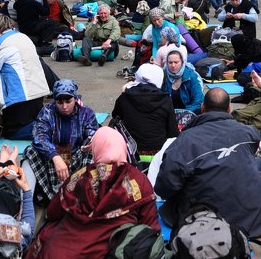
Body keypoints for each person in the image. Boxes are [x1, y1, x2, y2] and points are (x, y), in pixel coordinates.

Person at [25, 127, 160, 259]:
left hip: (58, 251)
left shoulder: (80, 177)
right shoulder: (139, 181)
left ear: (96, 150)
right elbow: (150, 226)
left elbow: (53, 211)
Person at [155, 87, 261, 238]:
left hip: (204, 220)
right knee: (254, 163)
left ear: (203, 108)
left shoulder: (185, 140)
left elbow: (164, 187)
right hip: (253, 218)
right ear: (229, 108)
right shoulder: (249, 132)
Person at [22, 79, 98, 202]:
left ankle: (84, 197)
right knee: (31, 151)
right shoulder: (47, 112)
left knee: (92, 152)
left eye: (68, 101)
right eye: (59, 102)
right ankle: (26, 202)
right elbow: (39, 136)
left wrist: (89, 142)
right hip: (51, 160)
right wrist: (55, 156)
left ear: (75, 99)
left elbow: (92, 132)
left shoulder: (86, 113)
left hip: (75, 160)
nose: (64, 106)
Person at [0, 15, 50, 138]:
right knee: (31, 120)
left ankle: (48, 130)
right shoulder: (23, 37)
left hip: (20, 96)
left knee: (11, 132)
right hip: (39, 90)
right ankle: (46, 125)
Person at [112, 63, 178, 153]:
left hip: (132, 151)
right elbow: (173, 132)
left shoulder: (126, 96)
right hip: (158, 151)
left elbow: (115, 116)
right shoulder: (165, 99)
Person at [217, 0, 258, 71]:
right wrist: (226, 16)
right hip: (232, 29)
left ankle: (237, 60)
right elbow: (219, 18)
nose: (235, 2)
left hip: (246, 30)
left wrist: (243, 15)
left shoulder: (247, 4)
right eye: (232, 0)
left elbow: (255, 18)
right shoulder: (229, 6)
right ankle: (227, 57)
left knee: (236, 37)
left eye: (236, 0)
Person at [162, 45, 204, 113]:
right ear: (166, 63)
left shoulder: (192, 77)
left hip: (190, 113)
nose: (173, 65)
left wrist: (183, 113)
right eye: (170, 62)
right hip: (169, 114)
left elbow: (198, 101)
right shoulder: (163, 76)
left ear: (182, 62)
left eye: (176, 62)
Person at [78, 2, 121, 66]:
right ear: (98, 14)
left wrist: (108, 41)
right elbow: (87, 34)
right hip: (97, 42)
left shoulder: (113, 21)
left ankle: (103, 57)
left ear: (109, 14)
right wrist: (94, 23)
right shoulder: (95, 20)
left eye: (105, 13)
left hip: (109, 44)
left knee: (114, 42)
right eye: (101, 13)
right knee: (85, 39)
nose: (103, 16)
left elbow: (116, 32)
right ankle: (86, 59)